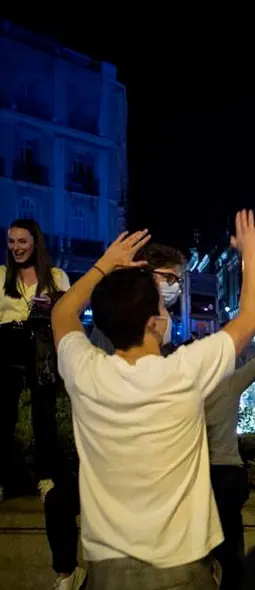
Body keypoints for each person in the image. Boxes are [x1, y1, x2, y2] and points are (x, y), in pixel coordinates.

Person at [51, 210, 255, 589]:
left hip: (108, 571)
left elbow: (63, 312)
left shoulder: (85, 372)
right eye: (163, 305)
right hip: (180, 568)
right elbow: (252, 316)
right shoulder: (183, 372)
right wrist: (250, 252)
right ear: (153, 323)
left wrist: (105, 264)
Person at [0, 219, 81, 589]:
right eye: (11, 241)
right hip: (7, 346)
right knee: (2, 412)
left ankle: (47, 475)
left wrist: (50, 307)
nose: (17, 247)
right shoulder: (1, 275)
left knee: (44, 414)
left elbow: (66, 317)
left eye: (22, 241)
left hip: (41, 346)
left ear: (36, 242)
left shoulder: (56, 275)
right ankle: (6, 478)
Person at [208, 320, 255, 590]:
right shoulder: (229, 383)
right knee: (231, 548)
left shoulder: (185, 387)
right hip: (227, 473)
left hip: (196, 474)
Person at [89, 244, 186, 353]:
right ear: (145, 273)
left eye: (178, 280)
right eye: (169, 277)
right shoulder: (117, 311)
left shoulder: (165, 315)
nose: (174, 285)